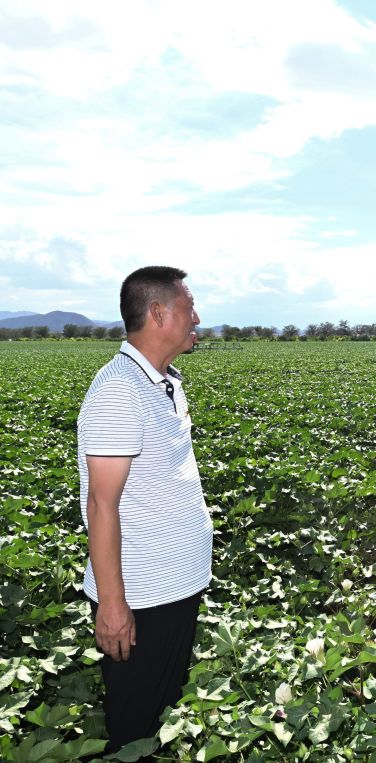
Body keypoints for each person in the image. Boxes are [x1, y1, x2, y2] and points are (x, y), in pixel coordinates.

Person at [78, 266, 211, 754]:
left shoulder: (163, 381)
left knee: (163, 713)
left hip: (173, 585)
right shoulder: (119, 390)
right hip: (141, 597)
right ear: (158, 313)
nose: (197, 317)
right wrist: (113, 605)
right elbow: (101, 503)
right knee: (135, 728)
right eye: (189, 306)